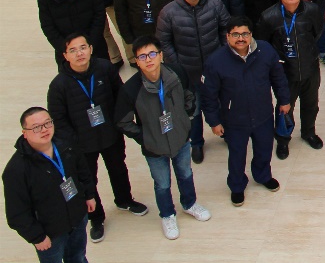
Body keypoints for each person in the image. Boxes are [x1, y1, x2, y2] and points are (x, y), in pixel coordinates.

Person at [46, 35, 146, 243]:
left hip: (110, 134)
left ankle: (124, 200)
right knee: (88, 180)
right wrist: (74, 142)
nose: (79, 53)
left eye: (83, 47)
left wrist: (119, 124)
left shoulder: (105, 68)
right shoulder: (58, 85)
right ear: (65, 56)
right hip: (82, 144)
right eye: (73, 50)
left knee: (118, 168)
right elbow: (59, 121)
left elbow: (121, 97)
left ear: (91, 49)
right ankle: (96, 218)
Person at [113, 35, 210, 240]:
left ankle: (190, 203)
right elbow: (122, 121)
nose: (148, 60)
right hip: (154, 147)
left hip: (180, 138)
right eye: (142, 57)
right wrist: (145, 137)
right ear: (136, 61)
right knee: (162, 183)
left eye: (152, 54)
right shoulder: (131, 89)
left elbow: (190, 95)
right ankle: (167, 215)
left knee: (185, 173)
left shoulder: (177, 73)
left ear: (160, 55)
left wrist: (186, 120)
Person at [200, 17, 289, 207]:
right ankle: (237, 185)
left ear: (251, 35)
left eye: (245, 34)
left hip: (263, 114)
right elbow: (208, 96)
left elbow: (278, 77)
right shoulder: (216, 61)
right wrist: (214, 121)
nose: (240, 38)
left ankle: (263, 176)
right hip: (235, 120)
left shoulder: (265, 51)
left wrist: (284, 99)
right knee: (237, 155)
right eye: (235, 34)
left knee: (264, 149)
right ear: (227, 37)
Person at [155, 0, 230, 164]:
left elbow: (226, 30)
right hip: (187, 71)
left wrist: (223, 55)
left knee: (220, 103)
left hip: (214, 68)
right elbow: (163, 42)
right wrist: (177, 65)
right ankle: (196, 143)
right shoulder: (168, 12)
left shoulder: (215, 4)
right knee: (193, 110)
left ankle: (226, 132)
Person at [3, 106, 95, 261]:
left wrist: (89, 195)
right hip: (50, 234)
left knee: (78, 257)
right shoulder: (16, 169)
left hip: (78, 218)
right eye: (36, 127)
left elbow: (83, 171)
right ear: (24, 133)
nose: (44, 130)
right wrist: (37, 237)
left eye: (47, 123)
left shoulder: (67, 145)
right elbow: (17, 213)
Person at [256, 0, 325, 156]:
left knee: (311, 104)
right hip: (284, 72)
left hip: (310, 67)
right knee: (285, 107)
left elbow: (317, 32)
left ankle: (309, 132)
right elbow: (263, 44)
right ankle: (283, 139)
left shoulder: (312, 11)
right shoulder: (269, 16)